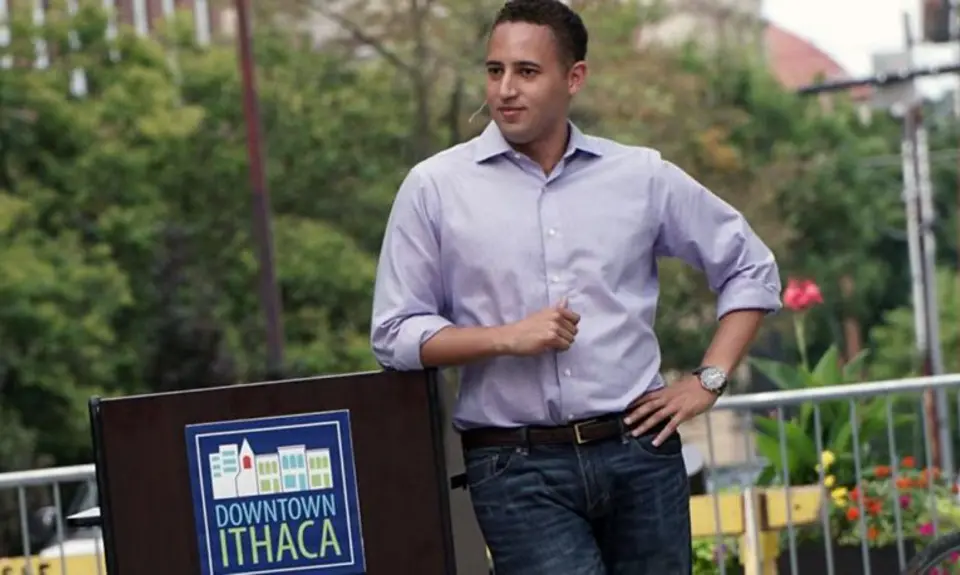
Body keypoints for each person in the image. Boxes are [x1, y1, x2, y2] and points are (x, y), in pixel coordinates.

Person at [369, 0, 782, 573]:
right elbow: (394, 332)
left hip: (640, 453)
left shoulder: (640, 177)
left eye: (527, 72)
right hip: (515, 467)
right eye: (495, 71)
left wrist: (707, 381)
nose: (506, 89)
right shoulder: (434, 188)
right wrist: (505, 338)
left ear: (574, 77)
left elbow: (750, 268)